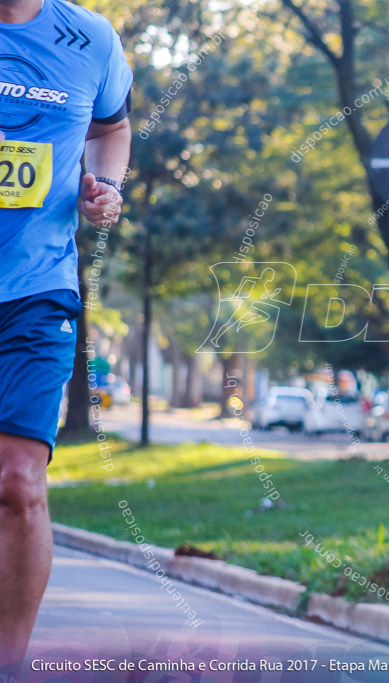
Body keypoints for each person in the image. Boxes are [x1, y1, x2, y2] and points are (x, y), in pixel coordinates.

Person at [0, 0, 132, 671]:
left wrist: (105, 182)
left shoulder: (91, 38)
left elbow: (113, 126)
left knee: (20, 481)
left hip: (34, 287)